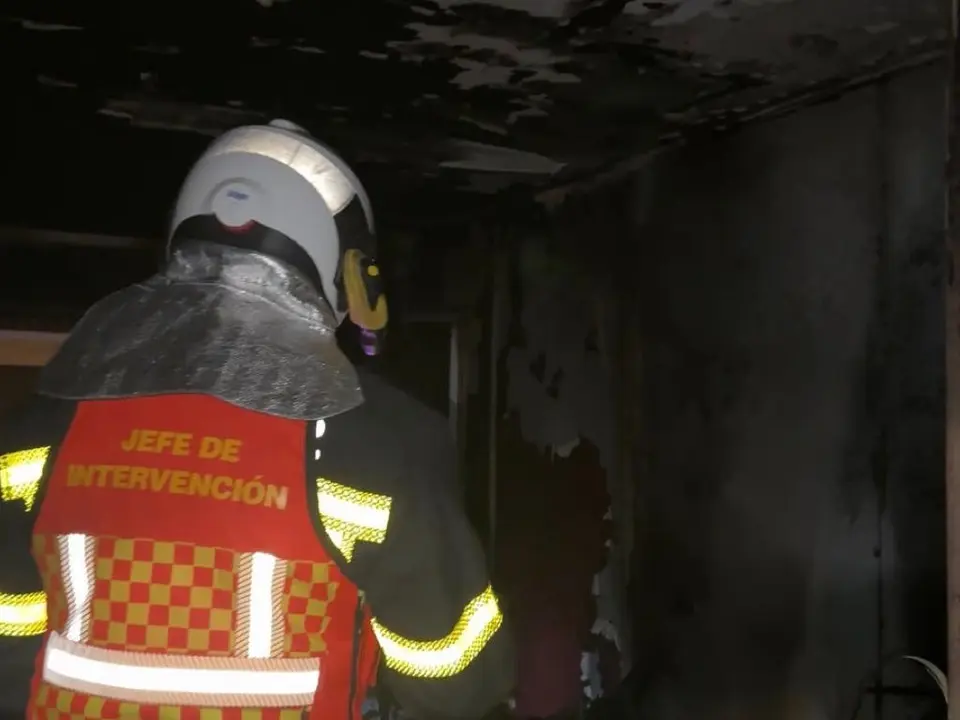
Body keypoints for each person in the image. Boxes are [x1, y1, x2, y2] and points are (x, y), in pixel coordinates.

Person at [0, 119, 514, 720]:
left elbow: (10, 646)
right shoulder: (380, 440)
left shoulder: (45, 423)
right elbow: (454, 680)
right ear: (345, 269)